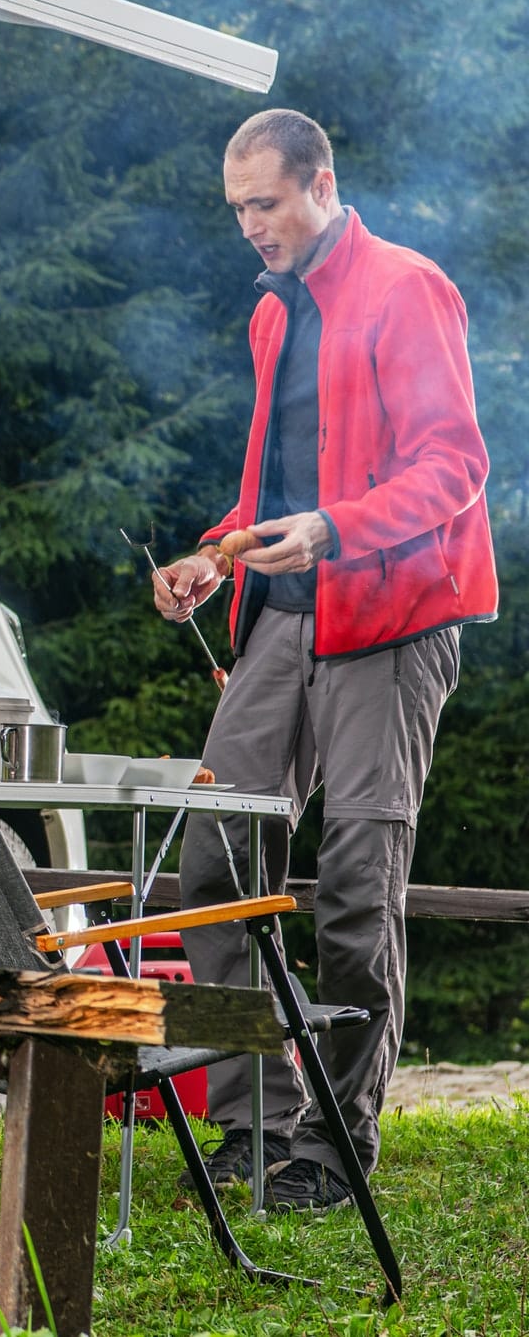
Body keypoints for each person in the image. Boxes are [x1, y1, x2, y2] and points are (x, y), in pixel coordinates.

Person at [152, 109, 496, 1213]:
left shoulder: (405, 288)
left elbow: (454, 464)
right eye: (236, 209)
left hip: (389, 621)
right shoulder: (270, 313)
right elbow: (276, 480)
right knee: (212, 861)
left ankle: (332, 1140)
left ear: (319, 183)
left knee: (354, 888)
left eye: (264, 204)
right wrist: (216, 552)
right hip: (280, 616)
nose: (249, 226)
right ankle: (252, 1124)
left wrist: (336, 528)